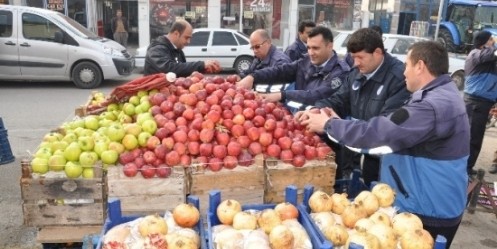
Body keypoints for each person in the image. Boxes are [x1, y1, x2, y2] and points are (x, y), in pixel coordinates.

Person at [297, 41, 469, 248]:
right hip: (431, 202)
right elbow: (391, 128)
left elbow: (380, 136)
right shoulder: (440, 95)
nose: (404, 72)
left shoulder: (431, 106)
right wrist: (341, 123)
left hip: (428, 210)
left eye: (407, 65)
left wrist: (330, 126)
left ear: (420, 66)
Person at [314, 28, 410, 186]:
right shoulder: (355, 74)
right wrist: (318, 110)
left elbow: (384, 127)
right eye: (353, 57)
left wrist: (334, 124)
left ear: (378, 53)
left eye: (360, 57)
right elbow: (339, 100)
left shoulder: (399, 79)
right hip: (353, 159)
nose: (356, 62)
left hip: (381, 168)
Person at [236, 26, 349, 109]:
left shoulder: (340, 72)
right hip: (298, 122)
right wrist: (253, 77)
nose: (310, 53)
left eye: (315, 48)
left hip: (321, 131)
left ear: (329, 46)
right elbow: (281, 71)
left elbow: (317, 95)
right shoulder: (306, 62)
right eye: (308, 48)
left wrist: (282, 95)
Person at [464, 30, 497, 176]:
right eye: (491, 40)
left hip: (482, 103)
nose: (493, 42)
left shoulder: (486, 58)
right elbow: (493, 53)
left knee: (474, 137)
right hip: (475, 103)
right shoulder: (477, 54)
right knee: (473, 138)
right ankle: (465, 169)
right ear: (484, 43)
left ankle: (466, 167)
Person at [143, 20, 220, 77]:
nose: (189, 42)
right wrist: (201, 65)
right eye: (186, 38)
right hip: (155, 95)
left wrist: (202, 69)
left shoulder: (178, 50)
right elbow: (169, 69)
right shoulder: (157, 49)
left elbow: (181, 70)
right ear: (176, 33)